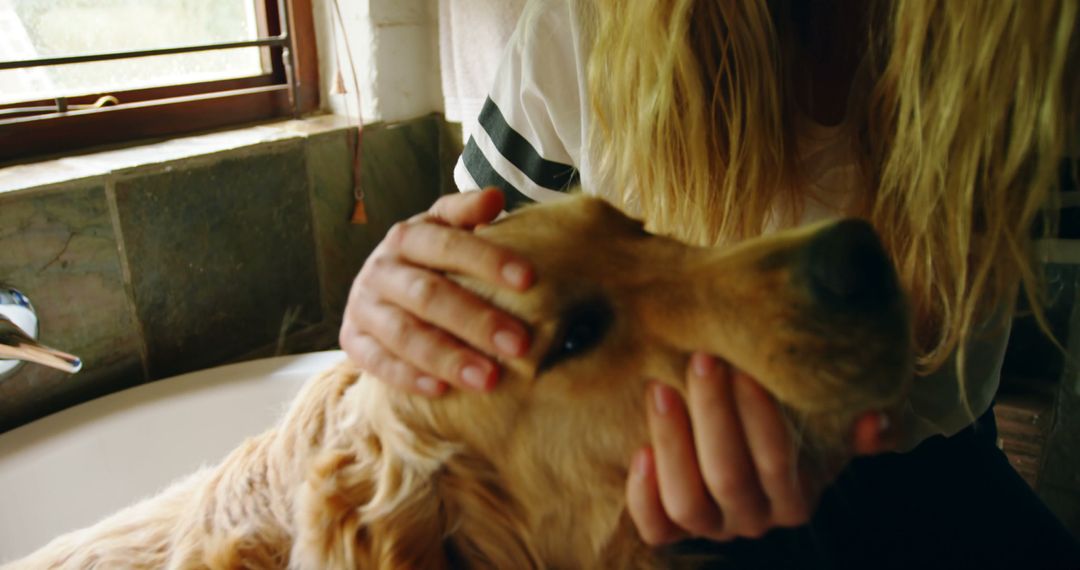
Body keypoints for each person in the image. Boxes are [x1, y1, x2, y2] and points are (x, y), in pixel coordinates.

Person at [340, 0, 1080, 566]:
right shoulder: (584, 24)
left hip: (937, 478)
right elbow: (476, 276)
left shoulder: (1046, 46)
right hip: (656, 511)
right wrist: (397, 298)